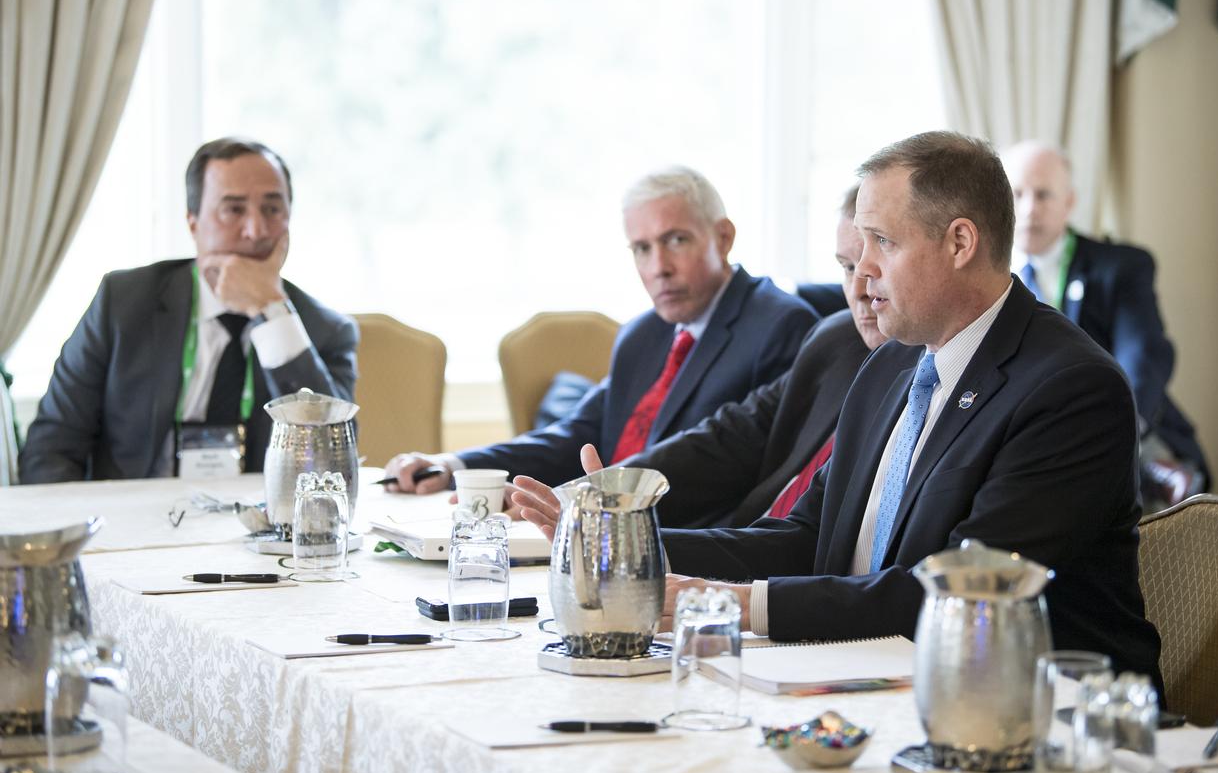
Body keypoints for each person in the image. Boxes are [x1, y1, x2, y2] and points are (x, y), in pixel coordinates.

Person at [514, 132, 1164, 687]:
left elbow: (956, 594)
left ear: (961, 241)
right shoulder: (890, 364)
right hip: (872, 673)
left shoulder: (1071, 388)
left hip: (1037, 709)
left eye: (881, 241)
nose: (862, 275)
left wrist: (739, 605)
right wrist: (626, 543)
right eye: (855, 250)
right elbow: (807, 537)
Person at [385, 165, 818, 493]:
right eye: (642, 249)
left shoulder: (781, 326)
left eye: (676, 240)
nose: (658, 268)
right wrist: (455, 466)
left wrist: (582, 503)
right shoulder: (643, 334)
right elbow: (578, 434)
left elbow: (738, 471)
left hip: (682, 545)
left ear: (723, 237)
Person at [20, 137, 357, 483]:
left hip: (257, 531)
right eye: (234, 209)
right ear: (193, 222)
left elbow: (334, 467)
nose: (256, 231)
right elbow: (51, 450)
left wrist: (271, 310)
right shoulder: (123, 303)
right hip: (130, 523)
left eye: (272, 209)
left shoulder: (322, 330)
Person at [629, 184, 887, 529]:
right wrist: (608, 495)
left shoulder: (783, 323)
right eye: (848, 267)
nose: (859, 291)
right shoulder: (836, 338)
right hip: (750, 546)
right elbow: (734, 434)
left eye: (877, 264)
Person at [1002, 141, 1208, 506]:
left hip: (1118, 429)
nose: (1029, 209)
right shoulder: (985, 277)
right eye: (1017, 194)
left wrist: (1110, 432)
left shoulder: (1120, 267)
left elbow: (1142, 356)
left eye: (1044, 195)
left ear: (1069, 202)